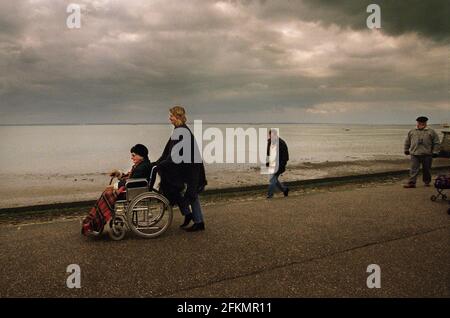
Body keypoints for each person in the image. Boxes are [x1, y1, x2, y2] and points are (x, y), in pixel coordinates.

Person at [155, 106, 207, 232]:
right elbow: (169, 152)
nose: (169, 118)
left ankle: (199, 223)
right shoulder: (179, 130)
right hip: (185, 167)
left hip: (190, 168)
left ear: (177, 117)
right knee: (177, 190)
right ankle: (189, 215)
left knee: (191, 194)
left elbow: (174, 154)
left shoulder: (182, 131)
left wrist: (161, 164)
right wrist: (158, 163)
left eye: (171, 116)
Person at [81, 144, 153, 236]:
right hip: (132, 189)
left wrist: (114, 186)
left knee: (107, 194)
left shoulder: (143, 167)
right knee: (107, 193)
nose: (132, 157)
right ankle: (94, 221)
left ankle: (96, 222)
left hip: (132, 192)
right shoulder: (140, 165)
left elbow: (131, 181)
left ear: (141, 155)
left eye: (133, 155)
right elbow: (129, 177)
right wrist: (118, 174)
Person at [403, 116, 440, 188]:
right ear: (417, 122)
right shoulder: (412, 131)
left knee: (427, 170)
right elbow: (407, 141)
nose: (422, 123)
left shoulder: (431, 131)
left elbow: (436, 142)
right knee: (413, 169)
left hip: (427, 154)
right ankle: (412, 183)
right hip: (414, 154)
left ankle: (427, 182)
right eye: (420, 122)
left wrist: (436, 152)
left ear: (426, 123)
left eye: (423, 122)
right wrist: (406, 150)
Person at [266, 129, 289, 199]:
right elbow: (269, 153)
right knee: (274, 180)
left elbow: (285, 157)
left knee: (272, 180)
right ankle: (285, 189)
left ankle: (270, 195)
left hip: (280, 165)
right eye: (270, 135)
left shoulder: (281, 143)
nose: (271, 136)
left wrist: (280, 166)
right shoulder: (270, 142)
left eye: (272, 135)